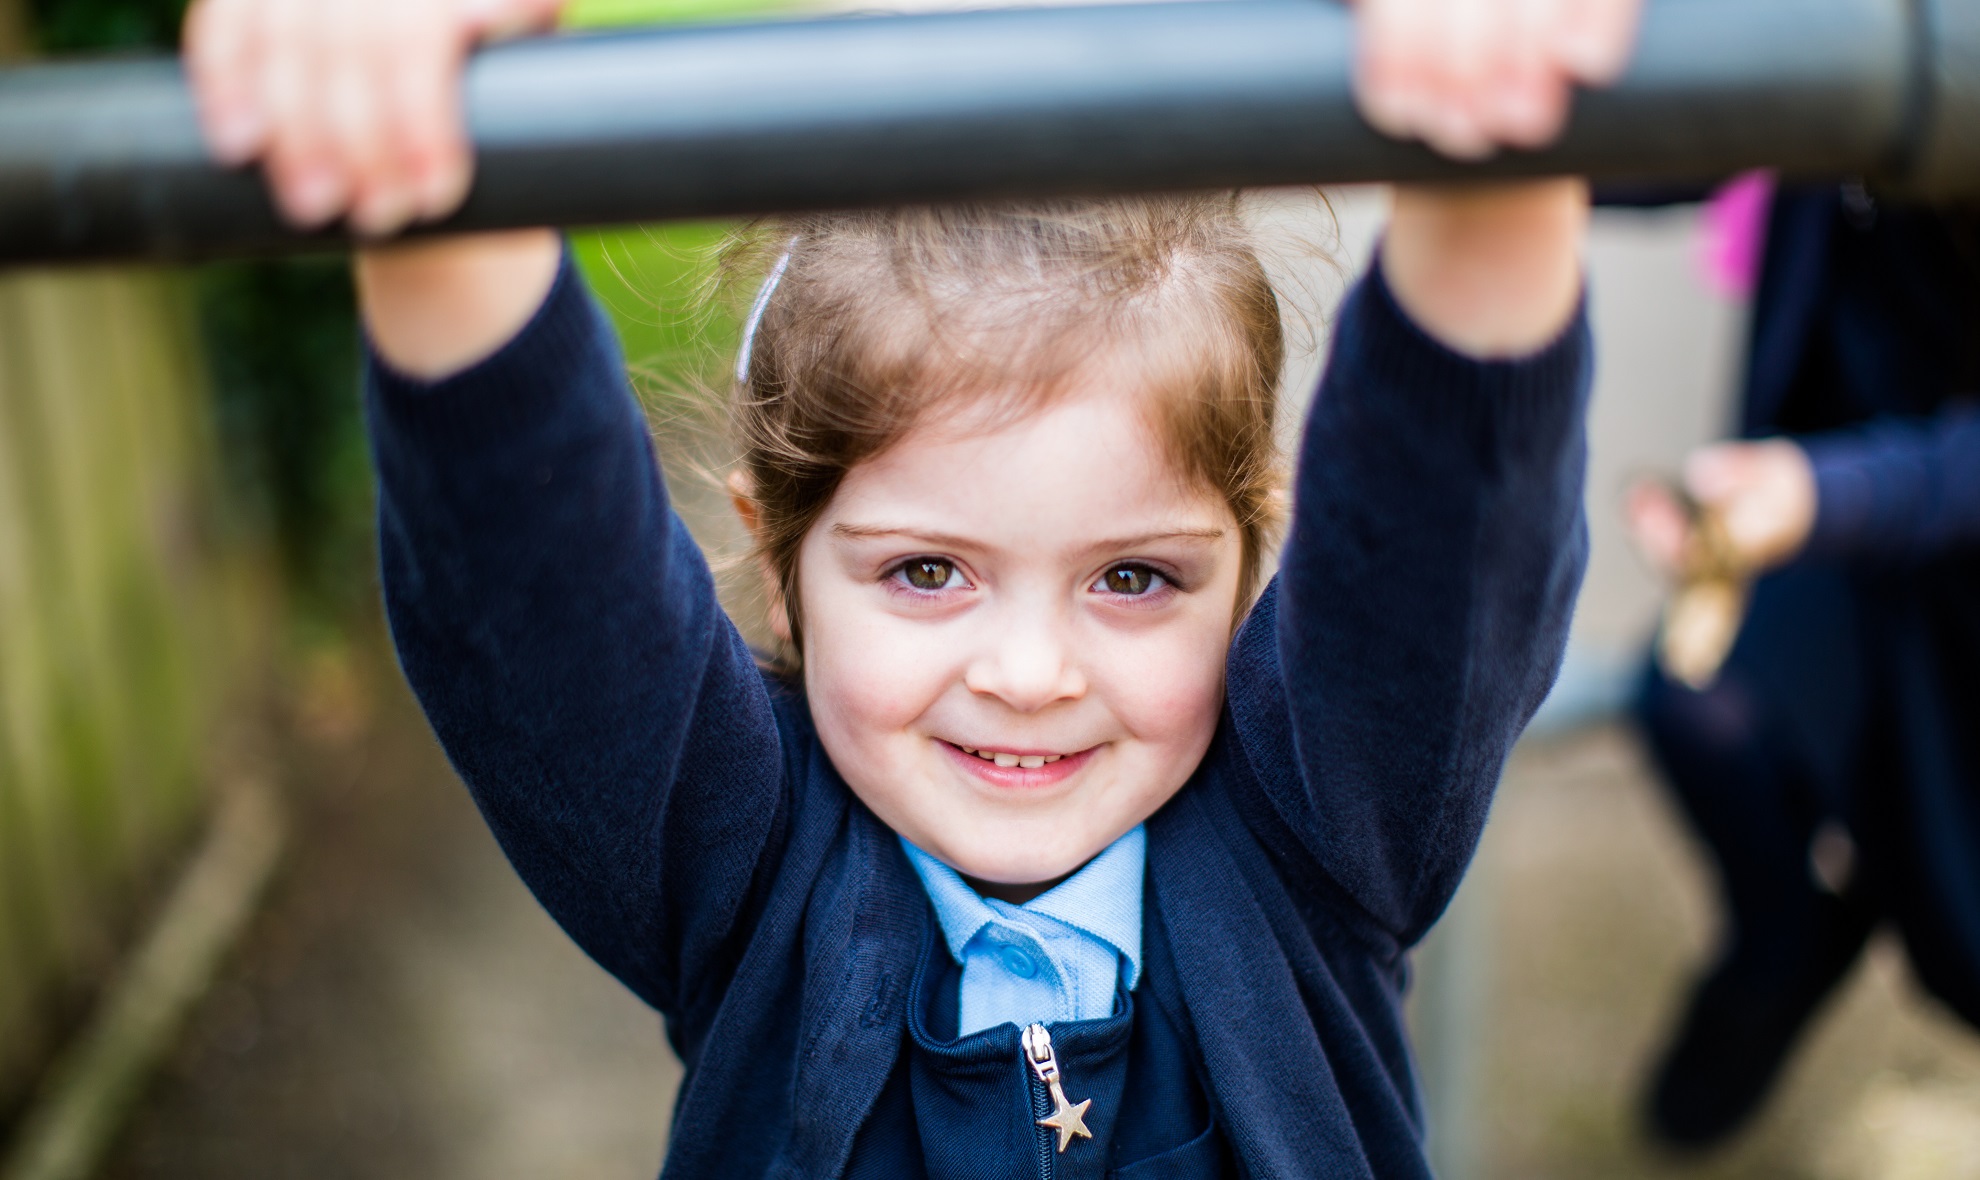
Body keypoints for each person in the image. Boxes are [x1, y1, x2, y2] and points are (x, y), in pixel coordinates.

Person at [183, 0, 1636, 1172]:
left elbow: (1450, 520)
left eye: (1133, 577)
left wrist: (1495, 150)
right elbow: (532, 577)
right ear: (778, 565)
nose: (1028, 672)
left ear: (1255, 559)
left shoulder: (1321, 829)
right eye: (927, 572)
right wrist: (440, 161)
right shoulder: (737, 868)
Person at [1627, 179, 1980, 1148]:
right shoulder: (1841, 27)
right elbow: (1662, 132)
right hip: (1824, 521)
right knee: (1697, 702)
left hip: (1935, 539)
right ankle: (1784, 946)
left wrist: (1823, 494)